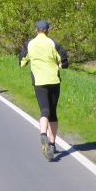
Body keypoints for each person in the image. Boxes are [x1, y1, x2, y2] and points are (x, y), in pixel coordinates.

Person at [19, 20, 68, 161]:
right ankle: (52, 144)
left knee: (44, 110)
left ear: (36, 30)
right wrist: (60, 65)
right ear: (48, 30)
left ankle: (43, 135)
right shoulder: (53, 43)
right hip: (54, 80)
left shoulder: (29, 44)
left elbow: (22, 62)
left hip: (39, 81)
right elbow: (64, 60)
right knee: (53, 112)